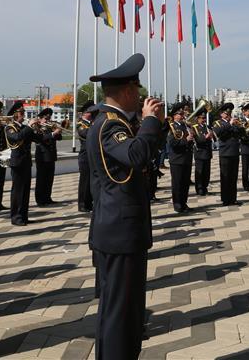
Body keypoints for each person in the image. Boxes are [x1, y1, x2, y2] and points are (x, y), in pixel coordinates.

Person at [85, 53, 165, 359]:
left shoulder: (114, 122)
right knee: (121, 313)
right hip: (120, 230)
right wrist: (149, 121)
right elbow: (135, 155)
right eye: (137, 89)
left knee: (125, 312)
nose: (141, 96)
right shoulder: (109, 125)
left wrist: (154, 125)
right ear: (128, 91)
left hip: (120, 228)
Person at [4, 101, 42, 226]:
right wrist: (29, 127)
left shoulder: (24, 128)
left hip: (26, 162)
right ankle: (16, 217)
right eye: (21, 112)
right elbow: (17, 137)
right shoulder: (10, 127)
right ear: (15, 114)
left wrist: (38, 129)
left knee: (25, 191)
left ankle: (24, 216)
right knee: (17, 191)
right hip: (17, 162)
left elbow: (38, 139)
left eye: (23, 112)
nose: (23, 114)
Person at [213, 103, 244, 206]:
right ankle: (226, 199)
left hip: (235, 152)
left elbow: (241, 134)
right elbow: (219, 133)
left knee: (233, 177)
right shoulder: (218, 123)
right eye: (226, 114)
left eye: (229, 113)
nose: (228, 115)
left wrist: (240, 126)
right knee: (225, 177)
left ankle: (233, 198)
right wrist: (230, 124)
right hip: (225, 153)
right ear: (221, 114)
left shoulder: (233, 123)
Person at [166, 103, 194, 213]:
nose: (183, 116)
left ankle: (184, 203)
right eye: (180, 114)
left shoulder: (185, 125)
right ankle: (177, 205)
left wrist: (191, 138)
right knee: (177, 183)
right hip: (177, 159)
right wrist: (186, 140)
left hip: (186, 158)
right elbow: (172, 143)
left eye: (183, 114)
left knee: (185, 183)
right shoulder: (171, 126)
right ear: (175, 115)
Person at [33, 108, 62, 206]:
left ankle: (47, 198)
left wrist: (58, 131)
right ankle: (40, 200)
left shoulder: (50, 127)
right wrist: (53, 133)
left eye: (49, 118)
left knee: (49, 179)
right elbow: (41, 138)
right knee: (41, 179)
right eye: (46, 119)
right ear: (40, 119)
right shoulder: (37, 127)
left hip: (51, 156)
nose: (47, 120)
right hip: (42, 156)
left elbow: (59, 138)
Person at [76, 101, 95, 212]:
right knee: (85, 182)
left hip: (91, 156)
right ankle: (82, 204)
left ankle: (89, 203)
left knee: (91, 181)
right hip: (85, 157)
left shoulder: (91, 123)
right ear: (86, 113)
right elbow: (86, 134)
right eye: (91, 111)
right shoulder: (81, 124)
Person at [191, 111, 213, 196]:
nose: (204, 120)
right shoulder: (195, 127)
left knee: (206, 172)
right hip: (200, 152)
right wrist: (206, 137)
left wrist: (212, 136)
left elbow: (214, 138)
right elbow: (198, 140)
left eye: (204, 118)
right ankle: (199, 188)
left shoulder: (207, 127)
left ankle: (205, 187)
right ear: (198, 118)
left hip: (207, 152)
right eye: (202, 118)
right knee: (199, 172)